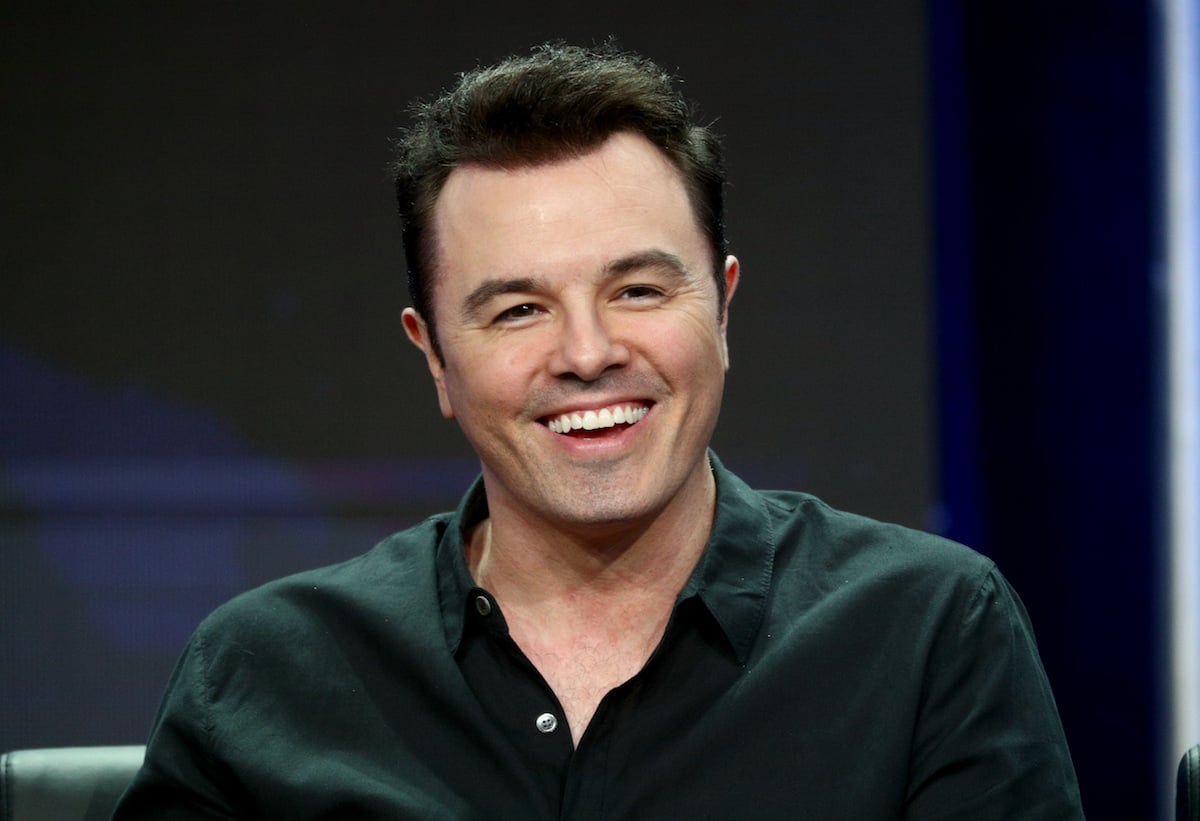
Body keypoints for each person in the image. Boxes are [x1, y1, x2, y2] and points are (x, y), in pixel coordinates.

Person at [114, 42, 1085, 819]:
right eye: (518, 309)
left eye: (637, 289)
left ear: (724, 308)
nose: (587, 350)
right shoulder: (264, 670)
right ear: (434, 358)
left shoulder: (927, 635)